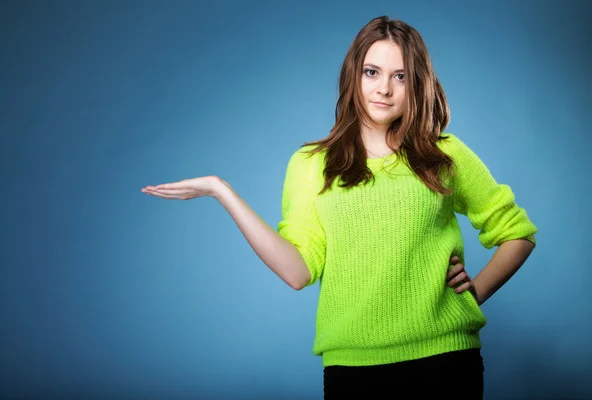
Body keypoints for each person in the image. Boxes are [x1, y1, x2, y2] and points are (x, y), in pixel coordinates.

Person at [142, 16, 537, 399]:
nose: (384, 88)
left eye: (400, 76)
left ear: (417, 84)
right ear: (354, 76)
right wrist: (221, 191)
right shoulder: (311, 164)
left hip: (446, 361)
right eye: (372, 72)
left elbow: (518, 235)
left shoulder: (444, 155)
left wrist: (474, 293)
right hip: (352, 369)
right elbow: (298, 272)